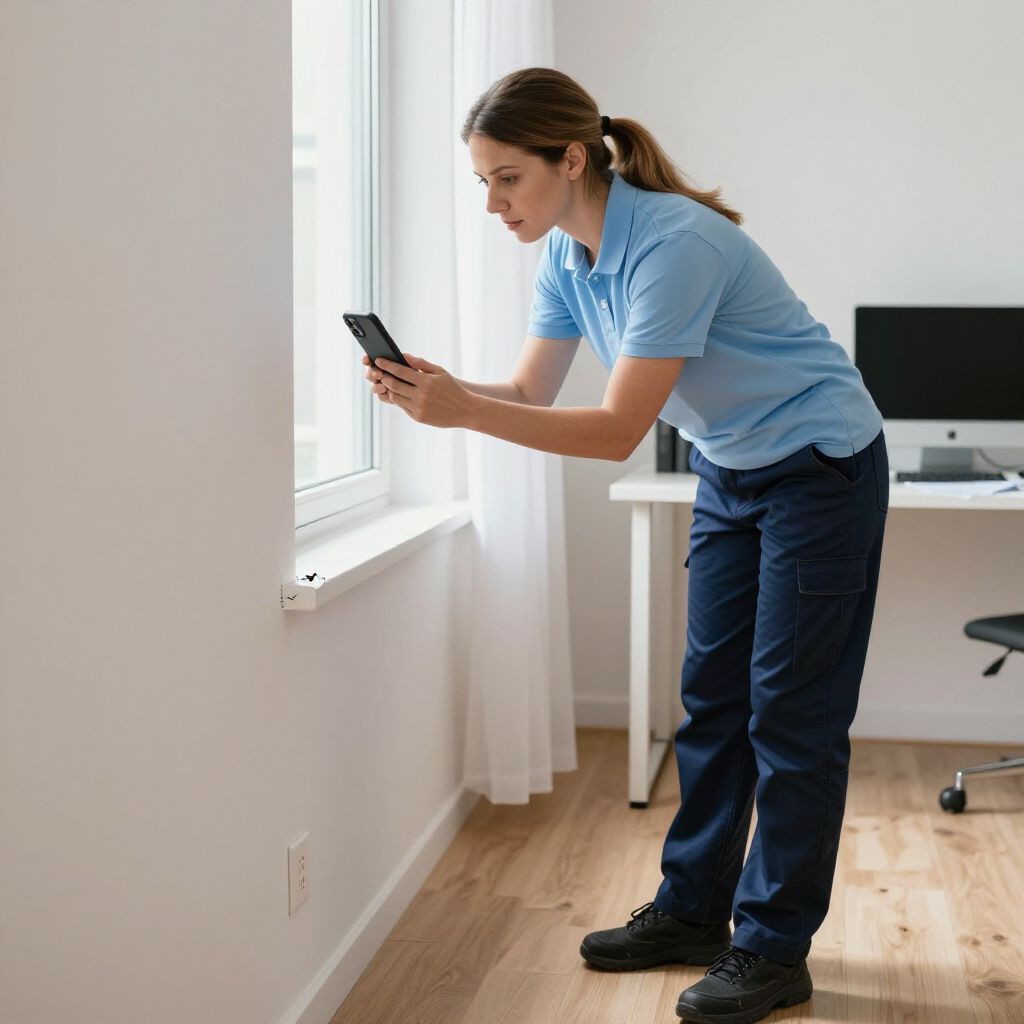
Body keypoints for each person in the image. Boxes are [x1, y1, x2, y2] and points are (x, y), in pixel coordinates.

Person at [362, 66, 888, 1024]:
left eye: (508, 178)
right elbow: (530, 393)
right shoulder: (569, 257)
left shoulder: (674, 244)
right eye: (482, 181)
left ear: (571, 160)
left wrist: (464, 413)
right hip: (733, 466)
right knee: (712, 698)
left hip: (822, 467)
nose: (492, 204)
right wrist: (444, 393)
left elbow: (613, 431)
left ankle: (774, 949)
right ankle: (693, 910)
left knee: (791, 716)